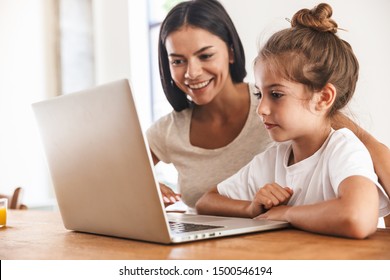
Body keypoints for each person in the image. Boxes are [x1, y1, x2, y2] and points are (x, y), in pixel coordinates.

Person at [147, 0, 390, 213]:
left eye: (206, 55)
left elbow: (365, 148)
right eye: (177, 61)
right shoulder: (169, 129)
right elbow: (117, 175)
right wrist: (142, 187)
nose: (192, 72)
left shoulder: (288, 101)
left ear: (231, 51)